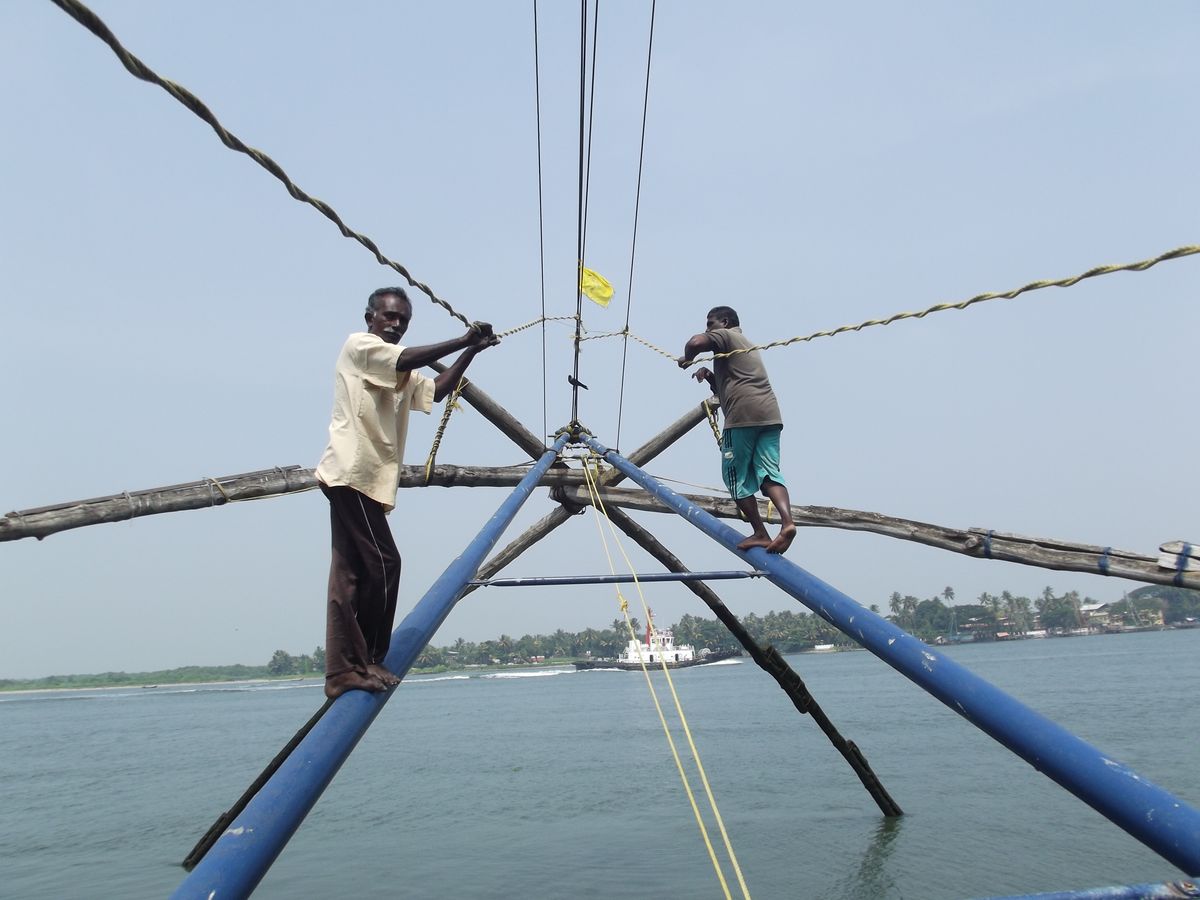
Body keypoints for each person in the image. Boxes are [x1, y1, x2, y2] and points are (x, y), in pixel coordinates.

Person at [315, 287, 499, 698]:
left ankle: (341, 671)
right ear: (371, 317)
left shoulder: (398, 368)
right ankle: (367, 660)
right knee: (385, 562)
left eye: (403, 320)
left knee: (350, 576)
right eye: (389, 317)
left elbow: (435, 389)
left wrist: (471, 352)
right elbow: (405, 358)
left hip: (367, 479)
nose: (395, 324)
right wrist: (463, 339)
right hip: (351, 471)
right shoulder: (361, 346)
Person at [678, 306, 796, 554]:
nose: (707, 328)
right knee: (769, 473)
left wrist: (687, 359)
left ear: (725, 321)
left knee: (734, 478)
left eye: (710, 323)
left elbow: (695, 342)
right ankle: (787, 524)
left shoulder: (728, 336)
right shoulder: (743, 346)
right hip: (769, 416)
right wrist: (710, 377)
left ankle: (761, 533)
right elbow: (727, 391)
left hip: (743, 419)